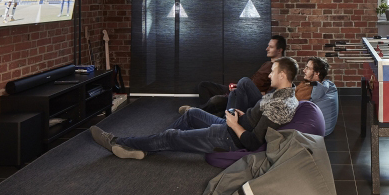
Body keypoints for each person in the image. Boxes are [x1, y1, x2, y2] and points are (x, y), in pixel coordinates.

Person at [91, 57, 299, 159]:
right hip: (231, 126)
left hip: (228, 138)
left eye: (273, 71)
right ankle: (149, 146)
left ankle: (117, 142)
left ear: (282, 75)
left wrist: (235, 124)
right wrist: (244, 116)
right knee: (192, 113)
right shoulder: (284, 95)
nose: (269, 75)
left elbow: (253, 143)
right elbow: (260, 118)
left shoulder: (280, 104)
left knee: (172, 136)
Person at [196, 35, 286, 115]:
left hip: (245, 96)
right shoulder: (266, 64)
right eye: (268, 46)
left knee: (216, 100)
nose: (267, 49)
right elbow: (253, 81)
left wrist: (244, 90)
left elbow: (270, 94)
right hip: (239, 89)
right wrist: (237, 86)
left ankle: (197, 112)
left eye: (271, 47)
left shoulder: (279, 70)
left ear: (279, 50)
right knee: (204, 86)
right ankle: (206, 113)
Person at [295, 57, 339, 136]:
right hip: (326, 129)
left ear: (317, 73)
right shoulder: (325, 85)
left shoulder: (310, 90)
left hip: (312, 132)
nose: (304, 70)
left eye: (308, 68)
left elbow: (291, 105)